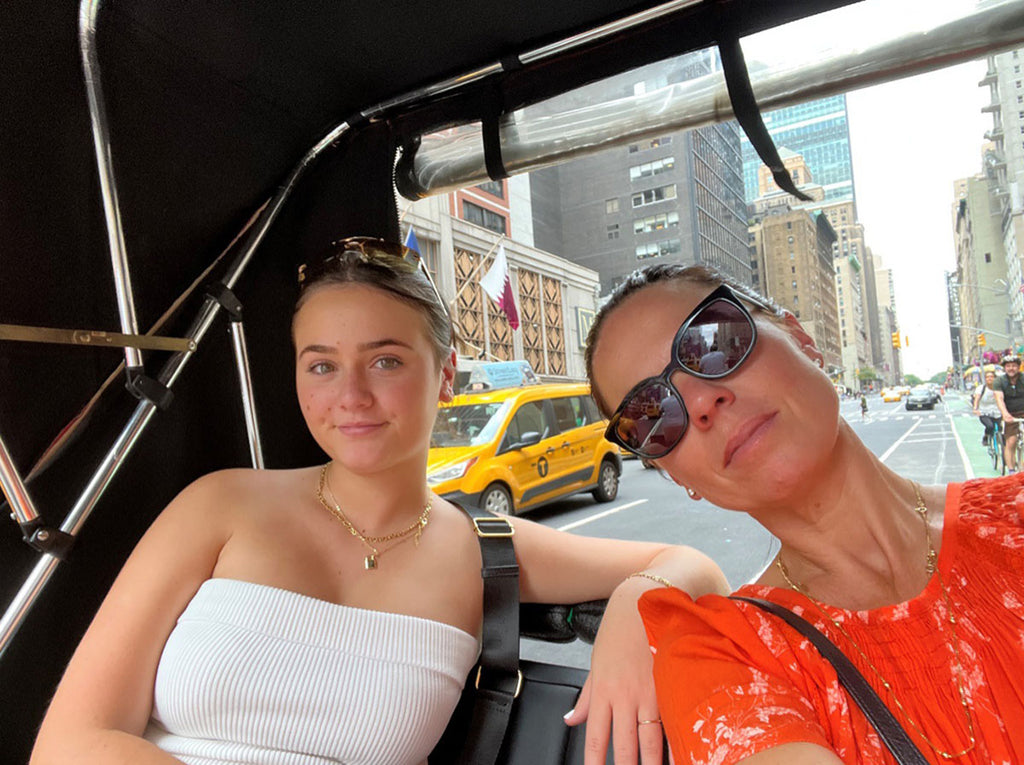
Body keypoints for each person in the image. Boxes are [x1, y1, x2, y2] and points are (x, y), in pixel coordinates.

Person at [31, 238, 729, 765]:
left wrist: (636, 615)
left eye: (386, 359)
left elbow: (691, 563)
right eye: (323, 364)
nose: (351, 394)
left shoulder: (480, 548)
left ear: (446, 375)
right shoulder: (219, 506)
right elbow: (70, 739)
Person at [585, 263, 1024, 763]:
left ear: (800, 337)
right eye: (652, 416)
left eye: (715, 341)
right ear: (675, 475)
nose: (703, 401)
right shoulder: (725, 655)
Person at [994, 353, 1024, 472]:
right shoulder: (999, 381)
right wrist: (1005, 414)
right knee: (1011, 441)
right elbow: (999, 399)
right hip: (1010, 414)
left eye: (1014, 366)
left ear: (1018, 367)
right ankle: (1011, 470)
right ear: (1004, 368)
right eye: (1008, 366)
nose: (1011, 368)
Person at [972, 369, 1001, 447]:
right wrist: (975, 409)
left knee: (1002, 430)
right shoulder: (981, 388)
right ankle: (986, 436)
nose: (990, 378)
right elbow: (977, 399)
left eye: (992, 377)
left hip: (997, 412)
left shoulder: (999, 388)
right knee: (990, 426)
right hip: (984, 412)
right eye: (987, 377)